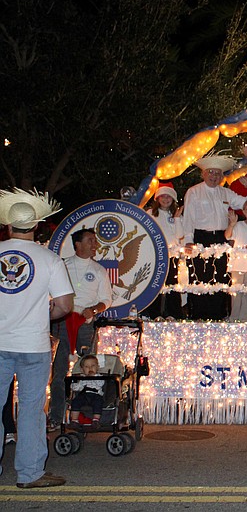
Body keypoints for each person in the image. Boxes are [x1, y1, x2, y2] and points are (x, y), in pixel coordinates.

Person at [0, 188, 73, 489]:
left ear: (7, 225)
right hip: (33, 343)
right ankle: (30, 473)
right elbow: (65, 305)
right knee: (31, 408)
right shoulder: (49, 259)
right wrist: (43, 315)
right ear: (37, 225)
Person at [50, 227, 113, 431]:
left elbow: (106, 299)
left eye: (95, 241)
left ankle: (88, 416)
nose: (94, 245)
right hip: (62, 323)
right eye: (90, 241)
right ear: (77, 244)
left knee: (89, 371)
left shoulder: (98, 270)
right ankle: (56, 417)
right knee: (59, 372)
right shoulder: (62, 266)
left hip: (86, 325)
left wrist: (94, 309)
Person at [182, 152, 247, 320]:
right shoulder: (193, 192)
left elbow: (245, 203)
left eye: (217, 173)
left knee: (221, 276)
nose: (214, 176)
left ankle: (218, 316)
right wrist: (188, 240)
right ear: (203, 173)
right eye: (211, 172)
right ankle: (198, 316)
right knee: (200, 277)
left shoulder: (226, 193)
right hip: (200, 238)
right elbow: (188, 217)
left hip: (221, 238)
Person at [144, 182, 184, 319]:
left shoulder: (176, 214)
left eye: (169, 197)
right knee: (156, 284)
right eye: (163, 196)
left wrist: (177, 219)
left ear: (173, 199)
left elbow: (179, 235)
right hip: (156, 254)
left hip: (172, 255)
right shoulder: (150, 213)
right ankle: (154, 313)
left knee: (172, 283)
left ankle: (173, 313)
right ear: (157, 198)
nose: (165, 199)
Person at [68, 354, 104, 428]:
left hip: (96, 394)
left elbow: (101, 384)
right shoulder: (82, 378)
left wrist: (93, 376)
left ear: (97, 367)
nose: (90, 368)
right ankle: (74, 420)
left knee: (98, 402)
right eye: (87, 367)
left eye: (93, 366)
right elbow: (79, 387)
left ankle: (96, 420)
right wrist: (74, 385)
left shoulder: (99, 376)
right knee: (75, 401)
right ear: (82, 370)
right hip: (85, 395)